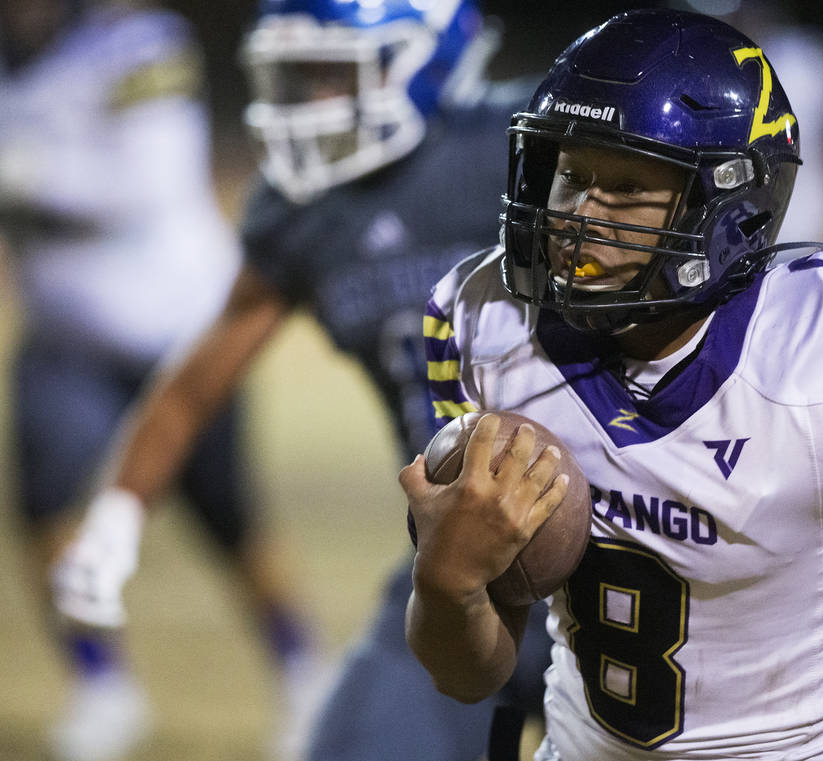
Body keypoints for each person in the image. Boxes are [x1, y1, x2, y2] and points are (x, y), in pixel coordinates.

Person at [401, 9, 823, 760]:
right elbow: (468, 673)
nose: (581, 216)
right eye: (573, 175)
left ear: (728, 207)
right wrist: (449, 584)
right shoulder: (491, 326)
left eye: (628, 187)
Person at [48, 1, 552, 759]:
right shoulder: (305, 210)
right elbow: (194, 381)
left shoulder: (529, 147)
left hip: (622, 537)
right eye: (298, 76)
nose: (308, 102)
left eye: (330, 74)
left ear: (420, 62)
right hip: (457, 558)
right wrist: (117, 515)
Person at [0, 2, 322, 760]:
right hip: (64, 336)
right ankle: (102, 684)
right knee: (46, 512)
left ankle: (304, 670)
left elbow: (146, 179)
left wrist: (21, 169)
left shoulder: (139, 42)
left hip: (176, 332)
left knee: (230, 521)